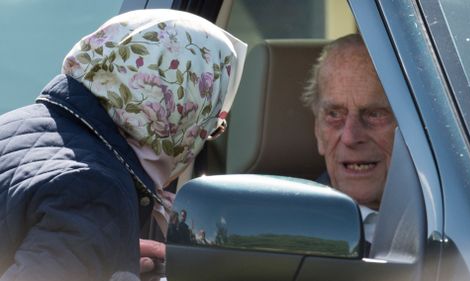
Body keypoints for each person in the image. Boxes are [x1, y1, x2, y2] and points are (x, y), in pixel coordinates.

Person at [0, 9, 246, 281]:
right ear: (178, 114)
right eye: (210, 126)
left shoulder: (11, 126)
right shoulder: (94, 189)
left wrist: (99, 254)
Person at [302, 34, 396, 243]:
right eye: (334, 114)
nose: (350, 137)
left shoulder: (467, 215)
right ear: (317, 130)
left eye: (375, 114)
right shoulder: (293, 231)